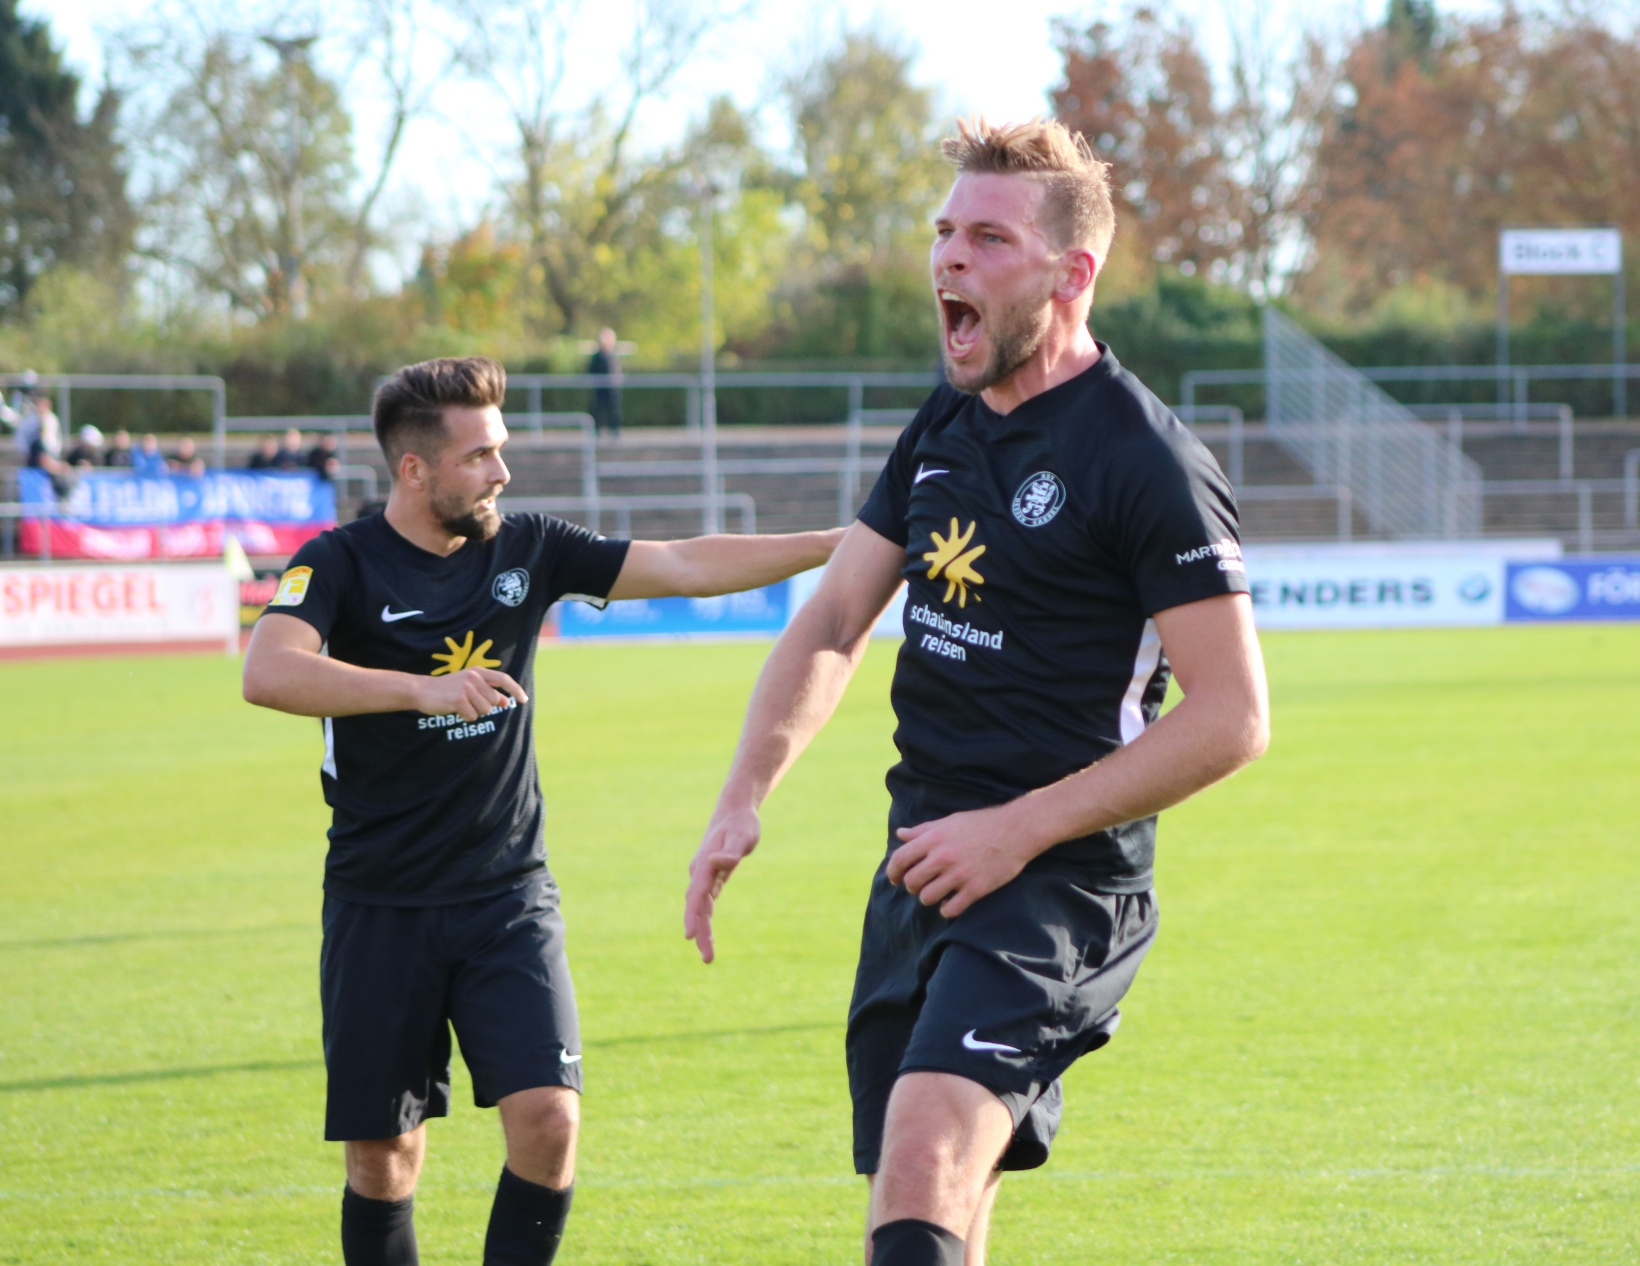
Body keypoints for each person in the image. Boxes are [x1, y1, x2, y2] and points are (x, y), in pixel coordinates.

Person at [683, 118, 1270, 1266]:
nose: (949, 255)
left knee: (922, 1162)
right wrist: (744, 793)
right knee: (936, 1200)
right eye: (945, 230)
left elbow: (1232, 715)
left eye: (989, 238)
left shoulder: (1145, 459)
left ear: (1072, 271)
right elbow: (835, 620)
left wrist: (1017, 829)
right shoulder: (945, 421)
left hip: (1058, 879)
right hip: (923, 856)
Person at [242, 356, 843, 1266]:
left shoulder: (529, 547)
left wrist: (844, 541)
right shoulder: (338, 562)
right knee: (384, 1156)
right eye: (479, 455)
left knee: (549, 1121)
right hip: (379, 902)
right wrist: (419, 690)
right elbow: (268, 670)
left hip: (507, 896)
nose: (503, 471)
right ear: (415, 470)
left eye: (501, 448)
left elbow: (684, 563)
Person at [586, 327, 621, 437]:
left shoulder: (613, 356)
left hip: (612, 389)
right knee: (598, 410)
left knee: (613, 410)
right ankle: (596, 432)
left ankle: (614, 432)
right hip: (600, 389)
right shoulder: (597, 357)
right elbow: (591, 371)